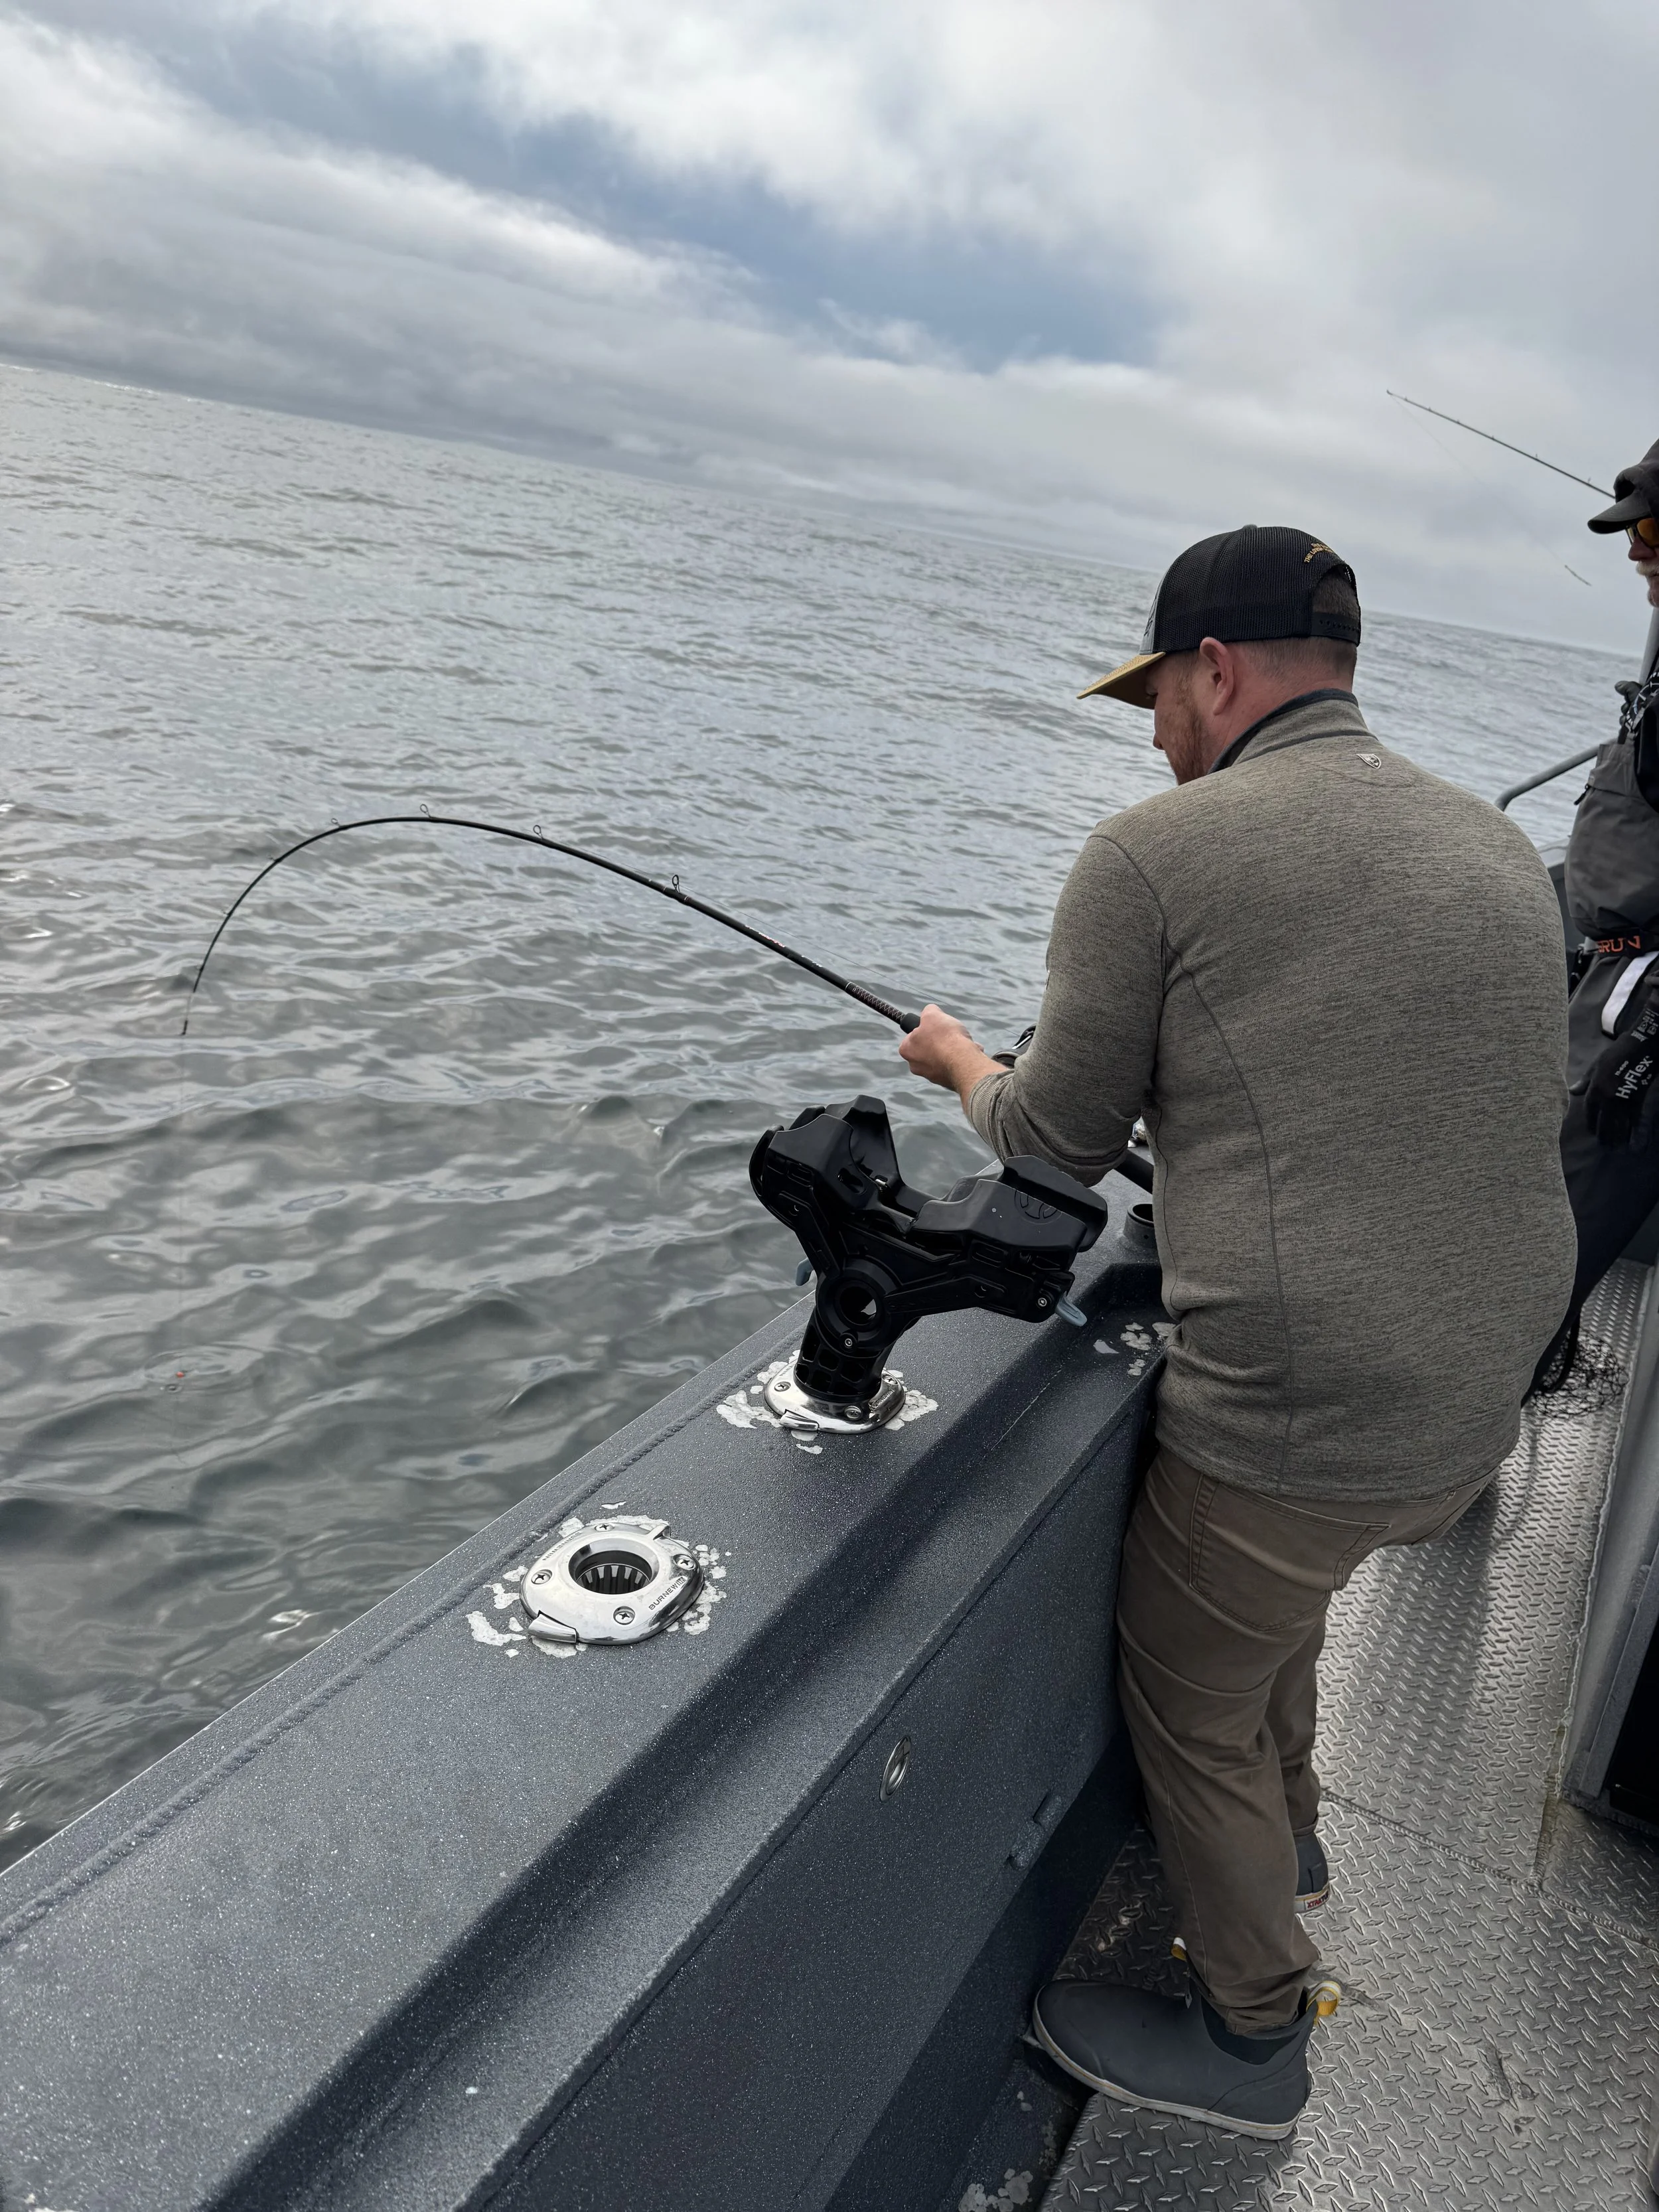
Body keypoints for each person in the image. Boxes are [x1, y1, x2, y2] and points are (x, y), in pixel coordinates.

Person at [898, 525, 1575, 2138]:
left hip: (1314, 1411)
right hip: (1481, 1395)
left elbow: (1053, 1140)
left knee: (1188, 1684)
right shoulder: (1486, 842)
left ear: (1213, 672)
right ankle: (1300, 1839)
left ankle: (1253, 2030)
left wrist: (957, 1065)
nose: (1151, 737)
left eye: (1157, 698)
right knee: (1271, 1604)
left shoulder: (1151, 856)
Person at [1533, 441, 1659, 1390]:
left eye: (1653, 532)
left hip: (1643, 1001)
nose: (1635, 554)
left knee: (1567, 1212)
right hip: (1613, 972)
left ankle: (1500, 1389)